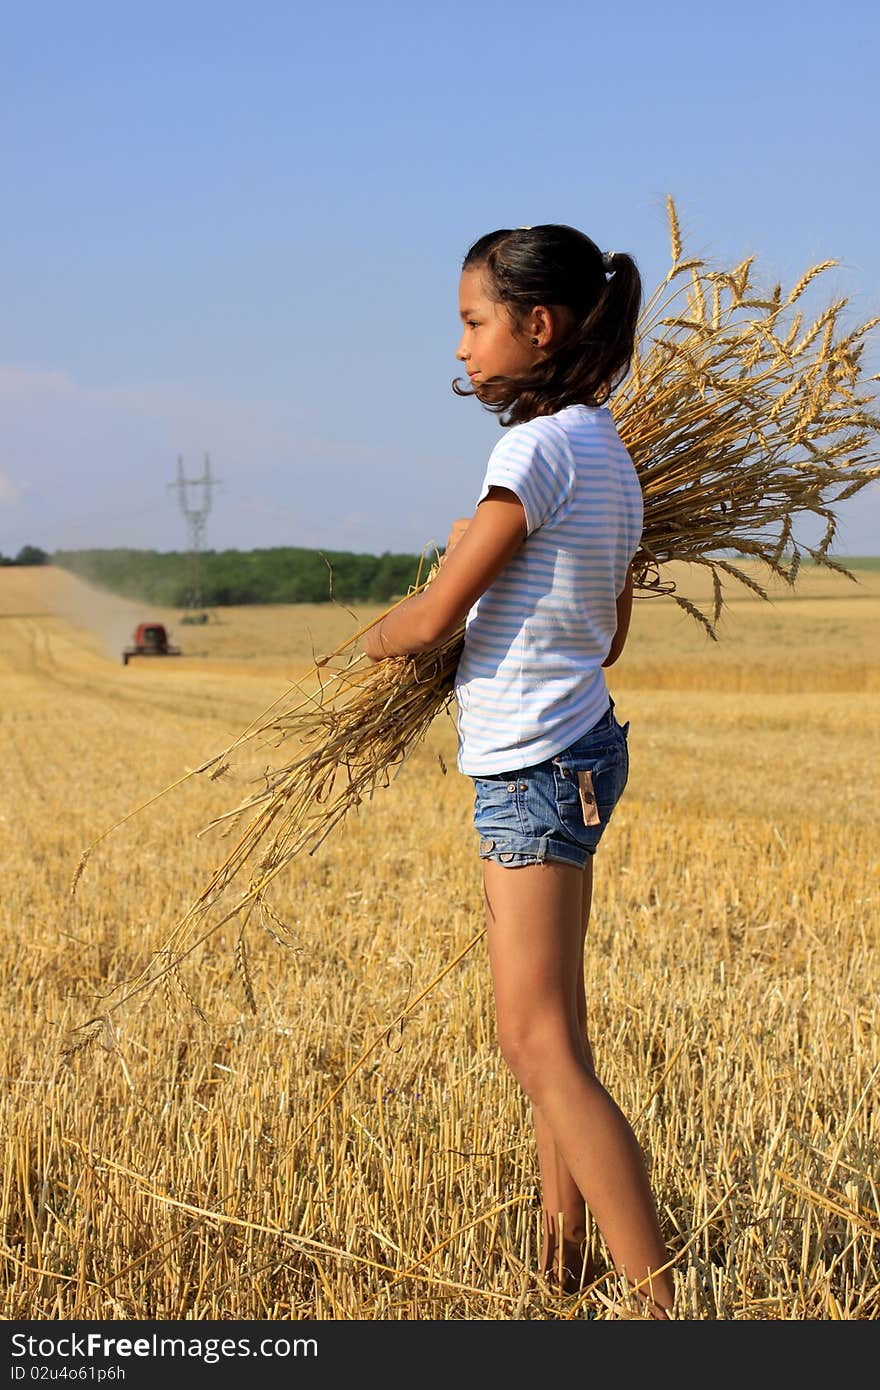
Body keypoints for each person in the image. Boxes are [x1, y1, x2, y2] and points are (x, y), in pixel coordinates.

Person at [363, 224, 675, 1318]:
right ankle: (562, 1276)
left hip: (534, 765)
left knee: (533, 1041)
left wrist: (372, 638)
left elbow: (433, 618)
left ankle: (664, 1307)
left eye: (471, 320)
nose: (460, 348)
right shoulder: (609, 454)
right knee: (558, 1039)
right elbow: (604, 632)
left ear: (536, 327)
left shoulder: (531, 452)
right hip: (577, 747)